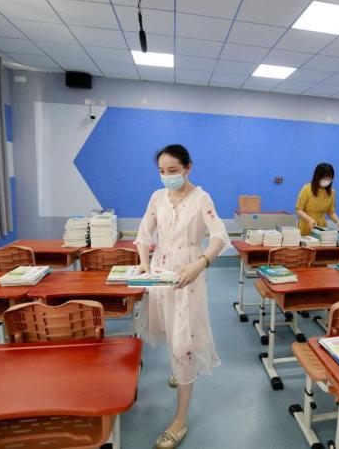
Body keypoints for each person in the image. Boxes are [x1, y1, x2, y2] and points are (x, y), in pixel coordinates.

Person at [134, 144, 230, 449]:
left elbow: (220, 236)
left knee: (183, 340)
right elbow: (143, 234)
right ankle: (179, 368)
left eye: (173, 170)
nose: (167, 176)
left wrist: (200, 263)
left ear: (188, 167)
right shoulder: (157, 197)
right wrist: (144, 264)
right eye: (162, 171)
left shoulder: (202, 199)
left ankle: (180, 420)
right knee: (168, 328)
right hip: (160, 273)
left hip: (188, 274)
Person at [295, 162, 339, 236]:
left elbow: (331, 212)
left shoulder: (331, 192)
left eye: (329, 178)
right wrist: (310, 219)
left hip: (321, 226)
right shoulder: (307, 189)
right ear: (317, 177)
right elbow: (299, 210)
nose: (326, 180)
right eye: (324, 178)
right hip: (306, 224)